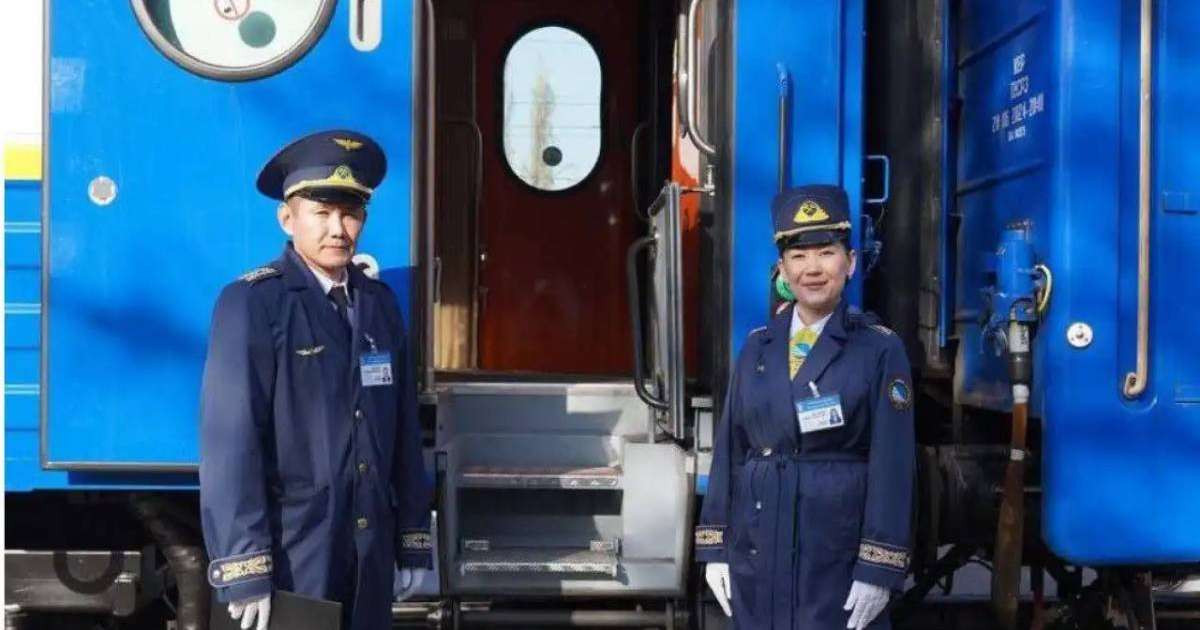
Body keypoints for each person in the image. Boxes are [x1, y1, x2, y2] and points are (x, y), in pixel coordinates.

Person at [199, 130, 433, 630]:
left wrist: (413, 538)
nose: (338, 230)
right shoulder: (254, 303)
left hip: (367, 552)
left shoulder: (379, 305)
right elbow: (232, 443)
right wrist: (245, 567)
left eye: (349, 214)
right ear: (288, 218)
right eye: (321, 213)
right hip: (293, 554)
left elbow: (403, 432)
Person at [694, 184, 915, 629]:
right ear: (782, 270)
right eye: (798, 256)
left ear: (850, 263)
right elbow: (731, 453)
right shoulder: (757, 347)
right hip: (760, 551)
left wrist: (879, 568)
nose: (812, 269)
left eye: (826, 253)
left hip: (834, 557)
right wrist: (715, 547)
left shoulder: (877, 350)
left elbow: (893, 465)